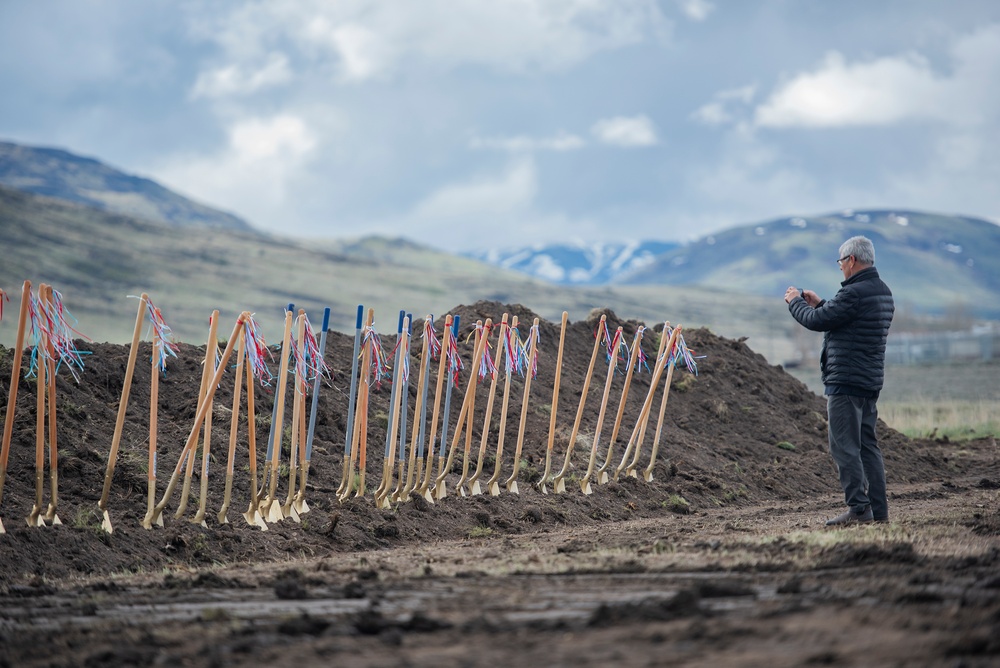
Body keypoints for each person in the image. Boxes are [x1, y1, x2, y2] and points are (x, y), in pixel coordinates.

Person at [784, 235, 894, 525]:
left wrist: (795, 302)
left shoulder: (855, 293)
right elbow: (842, 319)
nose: (840, 268)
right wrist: (821, 303)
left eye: (840, 262)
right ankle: (879, 512)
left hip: (846, 382)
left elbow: (817, 321)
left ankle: (859, 509)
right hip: (869, 382)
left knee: (843, 447)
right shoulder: (881, 292)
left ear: (851, 260)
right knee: (868, 446)